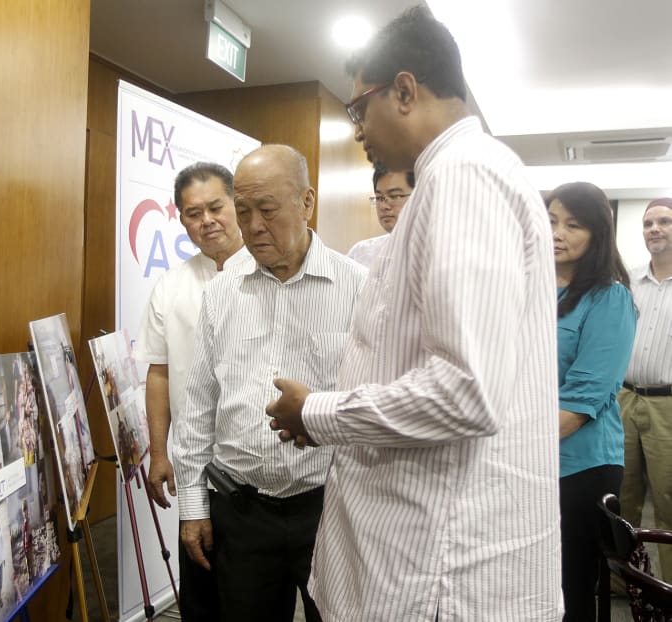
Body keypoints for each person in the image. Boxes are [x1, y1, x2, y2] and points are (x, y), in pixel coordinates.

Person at [266, 8, 563, 620]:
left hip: (437, 573)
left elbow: (464, 391)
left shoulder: (464, 176)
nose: (356, 130)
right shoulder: (450, 178)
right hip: (424, 556)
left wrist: (317, 411)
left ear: (404, 90)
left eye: (358, 108)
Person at [174, 144, 367, 622]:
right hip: (241, 513)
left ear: (307, 202)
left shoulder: (360, 288)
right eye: (243, 211)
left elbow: (372, 401)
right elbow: (198, 403)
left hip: (330, 509)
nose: (253, 226)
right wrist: (192, 507)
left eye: (267, 209)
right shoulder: (222, 293)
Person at [134, 161, 250, 621]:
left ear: (236, 205)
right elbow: (159, 374)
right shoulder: (171, 285)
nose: (207, 221)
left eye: (216, 207)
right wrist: (159, 453)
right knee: (201, 589)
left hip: (259, 472)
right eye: (192, 213)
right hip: (199, 468)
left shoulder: (267, 276)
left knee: (254, 598)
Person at [547, 182, 636, 619]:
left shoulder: (609, 296)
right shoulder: (533, 293)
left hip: (581, 463)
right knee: (532, 581)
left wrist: (515, 443)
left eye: (573, 224)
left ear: (597, 232)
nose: (557, 233)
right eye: (551, 221)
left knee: (569, 585)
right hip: (532, 457)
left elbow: (583, 401)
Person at [619, 196, 672, 583]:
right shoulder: (629, 282)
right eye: (648, 223)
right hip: (624, 398)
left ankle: (667, 589)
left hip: (667, 407)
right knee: (623, 496)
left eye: (664, 222)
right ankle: (625, 582)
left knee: (668, 499)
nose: (655, 229)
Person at [347, 165, 414, 266]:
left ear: (417, 196)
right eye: (378, 198)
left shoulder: (437, 250)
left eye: (394, 196)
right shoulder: (360, 253)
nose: (383, 206)